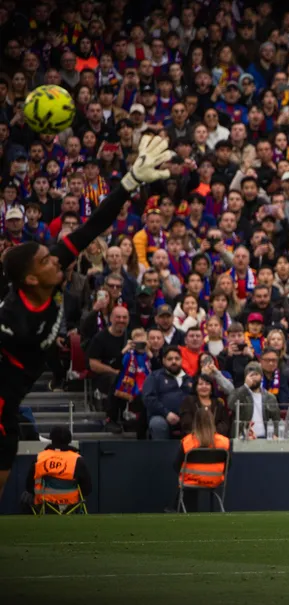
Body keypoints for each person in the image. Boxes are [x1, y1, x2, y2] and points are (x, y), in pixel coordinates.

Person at [0, 134, 173, 491]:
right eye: (47, 260)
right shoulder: (15, 318)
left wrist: (129, 182)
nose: (57, 259)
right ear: (31, 278)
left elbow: (93, 226)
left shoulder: (45, 276)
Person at [24, 426, 91, 515]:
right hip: (71, 504)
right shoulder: (77, 459)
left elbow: (29, 486)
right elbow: (87, 489)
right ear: (69, 440)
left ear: (51, 439)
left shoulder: (40, 457)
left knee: (25, 496)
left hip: (44, 503)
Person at [174, 409, 231, 512]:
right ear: (212, 421)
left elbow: (176, 466)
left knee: (182, 490)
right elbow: (228, 466)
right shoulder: (224, 442)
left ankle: (175, 508)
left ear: (195, 422)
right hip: (215, 481)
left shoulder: (187, 442)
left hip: (190, 481)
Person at [142, 346, 195, 440]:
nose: (174, 361)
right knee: (157, 424)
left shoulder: (189, 379)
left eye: (177, 358)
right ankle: (162, 454)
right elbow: (148, 398)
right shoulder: (154, 376)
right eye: (170, 359)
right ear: (163, 361)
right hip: (162, 416)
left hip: (186, 418)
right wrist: (166, 413)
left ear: (181, 360)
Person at [229, 362, 281, 439]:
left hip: (266, 438)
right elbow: (231, 405)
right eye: (250, 375)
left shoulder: (270, 397)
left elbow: (276, 420)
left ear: (261, 377)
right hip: (244, 439)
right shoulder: (239, 393)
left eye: (256, 374)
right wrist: (246, 387)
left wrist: (275, 434)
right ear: (245, 378)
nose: (253, 378)